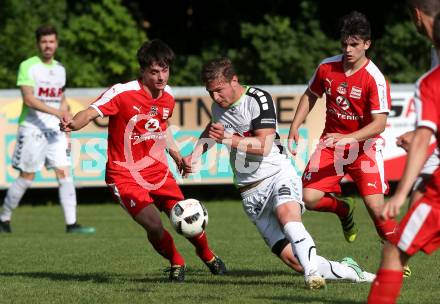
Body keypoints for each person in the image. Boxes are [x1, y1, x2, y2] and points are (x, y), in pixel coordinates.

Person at [182, 57, 375, 290]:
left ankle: (312, 275)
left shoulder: (258, 99)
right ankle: (352, 272)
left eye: (219, 90)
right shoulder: (217, 107)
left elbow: (263, 146)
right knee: (295, 260)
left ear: (234, 80)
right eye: (210, 92)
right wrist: (193, 156)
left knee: (287, 215)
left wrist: (227, 139)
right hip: (250, 192)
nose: (215, 97)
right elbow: (212, 130)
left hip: (277, 174)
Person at [59, 39, 226, 282]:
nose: (161, 77)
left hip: (157, 172)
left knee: (187, 216)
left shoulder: (167, 96)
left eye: (165, 70)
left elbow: (162, 128)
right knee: (155, 226)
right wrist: (73, 124)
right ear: (143, 71)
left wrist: (177, 154)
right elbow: (90, 112)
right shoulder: (122, 93)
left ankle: (207, 254)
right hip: (124, 176)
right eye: (154, 71)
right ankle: (176, 262)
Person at [287, 11, 398, 244]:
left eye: (354, 44)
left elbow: (379, 124)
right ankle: (344, 210)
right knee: (309, 198)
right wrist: (295, 125)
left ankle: (396, 258)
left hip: (365, 147)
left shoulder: (374, 79)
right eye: (344, 44)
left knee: (376, 207)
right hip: (331, 145)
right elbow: (311, 94)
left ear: (367, 44)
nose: (348, 50)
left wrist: (350, 139)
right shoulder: (327, 68)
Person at [367, 4, 440, 304]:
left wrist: (398, 195)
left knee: (393, 250)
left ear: (416, 14)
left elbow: (424, 137)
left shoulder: (430, 81)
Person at [0, 25, 94, 234]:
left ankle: (72, 224)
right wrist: (56, 112)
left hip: (56, 130)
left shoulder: (60, 69)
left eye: (51, 41)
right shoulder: (28, 66)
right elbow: (29, 99)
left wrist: (66, 119)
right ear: (38, 44)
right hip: (32, 128)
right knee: (27, 176)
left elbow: (61, 99)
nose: (48, 45)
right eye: (44, 42)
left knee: (64, 172)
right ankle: (3, 219)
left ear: (56, 43)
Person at [391, 0, 440, 278]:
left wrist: (423, 132)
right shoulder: (435, 49)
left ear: (416, 14)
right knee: (421, 193)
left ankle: (398, 258)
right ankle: (401, 258)